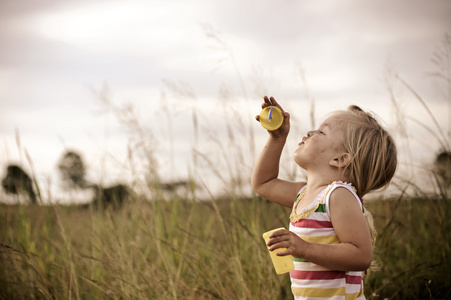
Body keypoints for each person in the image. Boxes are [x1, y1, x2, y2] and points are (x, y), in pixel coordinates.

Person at [252, 96, 397, 299]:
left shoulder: (338, 196)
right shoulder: (303, 195)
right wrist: (277, 139)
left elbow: (361, 255)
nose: (310, 132)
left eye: (321, 131)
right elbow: (263, 183)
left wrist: (304, 248)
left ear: (340, 159)